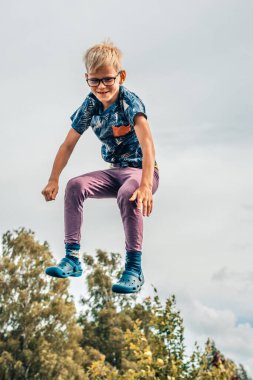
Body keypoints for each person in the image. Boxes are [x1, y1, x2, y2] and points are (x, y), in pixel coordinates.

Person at [41, 41, 159, 294]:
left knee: (129, 193)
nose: (101, 87)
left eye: (107, 79)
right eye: (94, 81)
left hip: (141, 172)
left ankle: (134, 269)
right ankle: (72, 259)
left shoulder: (130, 103)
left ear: (121, 76)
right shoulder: (90, 106)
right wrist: (53, 179)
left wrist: (146, 185)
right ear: (87, 79)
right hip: (114, 171)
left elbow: (147, 143)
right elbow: (68, 144)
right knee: (75, 185)